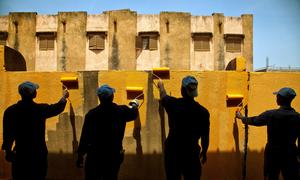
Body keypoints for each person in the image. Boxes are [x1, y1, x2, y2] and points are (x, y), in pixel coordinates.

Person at [1, 81, 69, 180]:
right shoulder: (40, 109)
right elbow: (57, 108)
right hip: (38, 154)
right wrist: (64, 97)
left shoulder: (10, 111)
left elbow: (8, 134)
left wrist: (8, 151)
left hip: (21, 154)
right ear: (34, 94)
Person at [76, 84, 139, 180]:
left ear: (99, 98)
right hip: (113, 156)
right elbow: (134, 114)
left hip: (95, 156)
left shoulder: (92, 114)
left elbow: (85, 137)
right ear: (112, 97)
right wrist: (134, 104)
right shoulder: (121, 111)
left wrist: (80, 155)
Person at [236, 87, 300, 180]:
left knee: (272, 176)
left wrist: (242, 118)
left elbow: (255, 121)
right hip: (290, 152)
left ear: (280, 99)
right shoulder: (298, 117)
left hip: (273, 152)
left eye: (277, 96)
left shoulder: (271, 115)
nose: (276, 98)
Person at [157, 76, 210, 180]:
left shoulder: (173, 104)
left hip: (173, 152)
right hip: (191, 153)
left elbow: (163, 96)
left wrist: (161, 85)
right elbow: (205, 136)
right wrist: (204, 152)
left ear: (182, 90)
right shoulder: (203, 112)